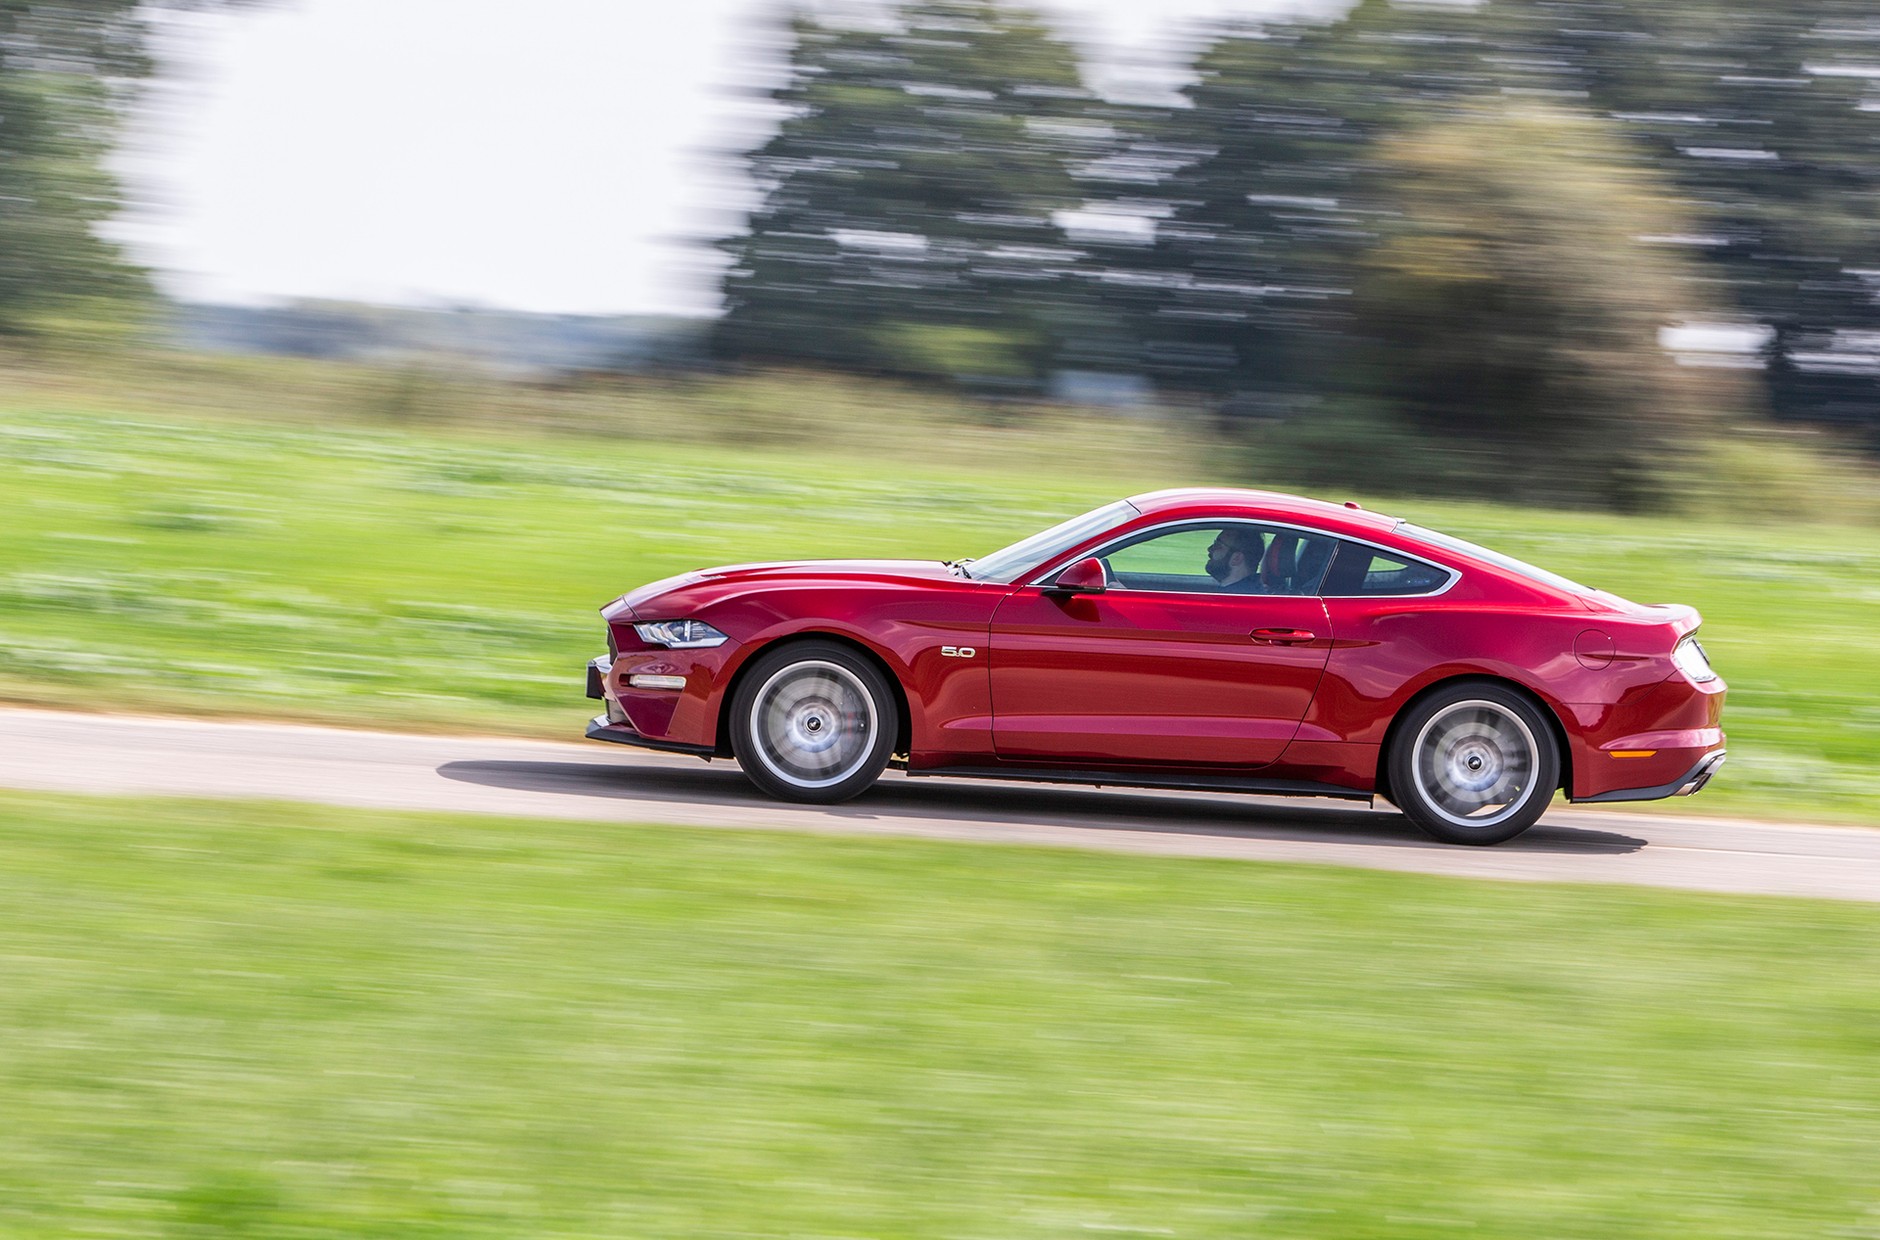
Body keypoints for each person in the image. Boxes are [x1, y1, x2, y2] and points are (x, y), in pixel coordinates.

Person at [1205, 527, 1268, 593]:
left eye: (1217, 545)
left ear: (1236, 558)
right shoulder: (1253, 589)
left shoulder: (1231, 599)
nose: (1209, 549)